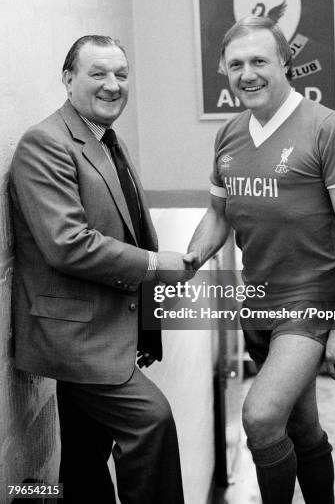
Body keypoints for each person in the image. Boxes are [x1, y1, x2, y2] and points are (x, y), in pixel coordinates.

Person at [185, 16, 335, 503]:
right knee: (303, 428)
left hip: (310, 301)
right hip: (257, 302)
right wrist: (189, 258)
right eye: (235, 64)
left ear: (286, 61)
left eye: (259, 61)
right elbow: (217, 215)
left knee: (262, 417)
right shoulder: (229, 134)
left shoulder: (330, 129)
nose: (247, 73)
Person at [10, 35, 192, 504]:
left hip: (110, 325)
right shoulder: (45, 144)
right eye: (98, 74)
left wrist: (145, 324)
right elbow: (67, 245)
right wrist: (155, 265)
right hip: (75, 338)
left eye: (121, 75)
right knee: (151, 422)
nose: (113, 85)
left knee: (84, 459)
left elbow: (127, 227)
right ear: (68, 80)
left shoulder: (106, 138)